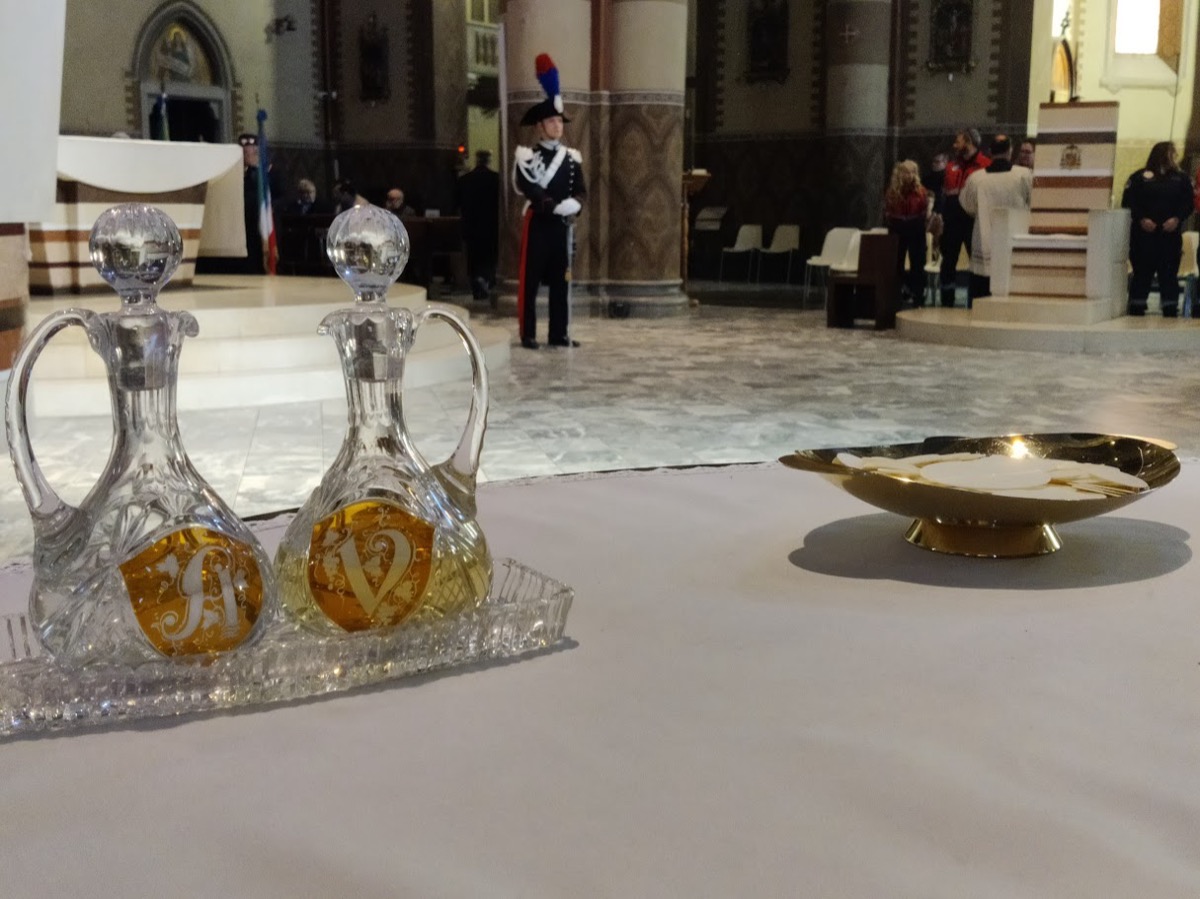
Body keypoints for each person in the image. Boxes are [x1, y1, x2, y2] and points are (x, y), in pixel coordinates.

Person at [512, 53, 586, 350]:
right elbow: (527, 186)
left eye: (559, 121)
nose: (557, 126)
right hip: (539, 224)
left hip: (562, 227)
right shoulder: (527, 156)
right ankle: (528, 333)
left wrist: (575, 204)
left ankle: (559, 333)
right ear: (540, 126)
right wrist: (552, 205)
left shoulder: (572, 158)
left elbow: (581, 189)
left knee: (561, 281)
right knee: (530, 281)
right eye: (551, 121)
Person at [959, 135, 1032, 306]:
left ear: (990, 152)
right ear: (1010, 151)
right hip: (1013, 243)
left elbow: (968, 206)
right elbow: (1032, 205)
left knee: (980, 302)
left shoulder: (976, 178)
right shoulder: (1024, 176)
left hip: (984, 242)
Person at [1122, 141, 1192, 317]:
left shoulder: (1181, 179)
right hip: (1144, 236)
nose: (1175, 157)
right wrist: (1141, 219)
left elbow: (1188, 203)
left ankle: (1170, 307)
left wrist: (1177, 218)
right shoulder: (1139, 177)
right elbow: (1128, 201)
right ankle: (1137, 305)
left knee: (1168, 273)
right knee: (1142, 272)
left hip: (1169, 236)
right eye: (1171, 153)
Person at [938, 128, 991, 307]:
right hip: (952, 221)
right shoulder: (951, 166)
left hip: (973, 221)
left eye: (958, 141)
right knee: (948, 263)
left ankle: (974, 302)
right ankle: (946, 302)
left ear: (968, 142)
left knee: (976, 262)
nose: (954, 145)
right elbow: (946, 192)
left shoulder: (985, 165)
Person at [882, 159, 929, 308]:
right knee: (896, 263)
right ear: (900, 173)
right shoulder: (892, 192)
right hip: (897, 228)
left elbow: (924, 212)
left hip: (916, 228)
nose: (909, 175)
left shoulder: (921, 192)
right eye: (906, 172)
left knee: (918, 264)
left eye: (912, 172)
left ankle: (918, 298)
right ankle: (896, 296)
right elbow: (888, 212)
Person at [458, 150, 500, 301]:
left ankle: (476, 287)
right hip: (491, 225)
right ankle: (487, 281)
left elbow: (458, 203)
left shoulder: (465, 179)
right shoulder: (496, 179)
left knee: (473, 256)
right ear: (489, 160)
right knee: (490, 256)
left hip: (471, 225)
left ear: (476, 160)